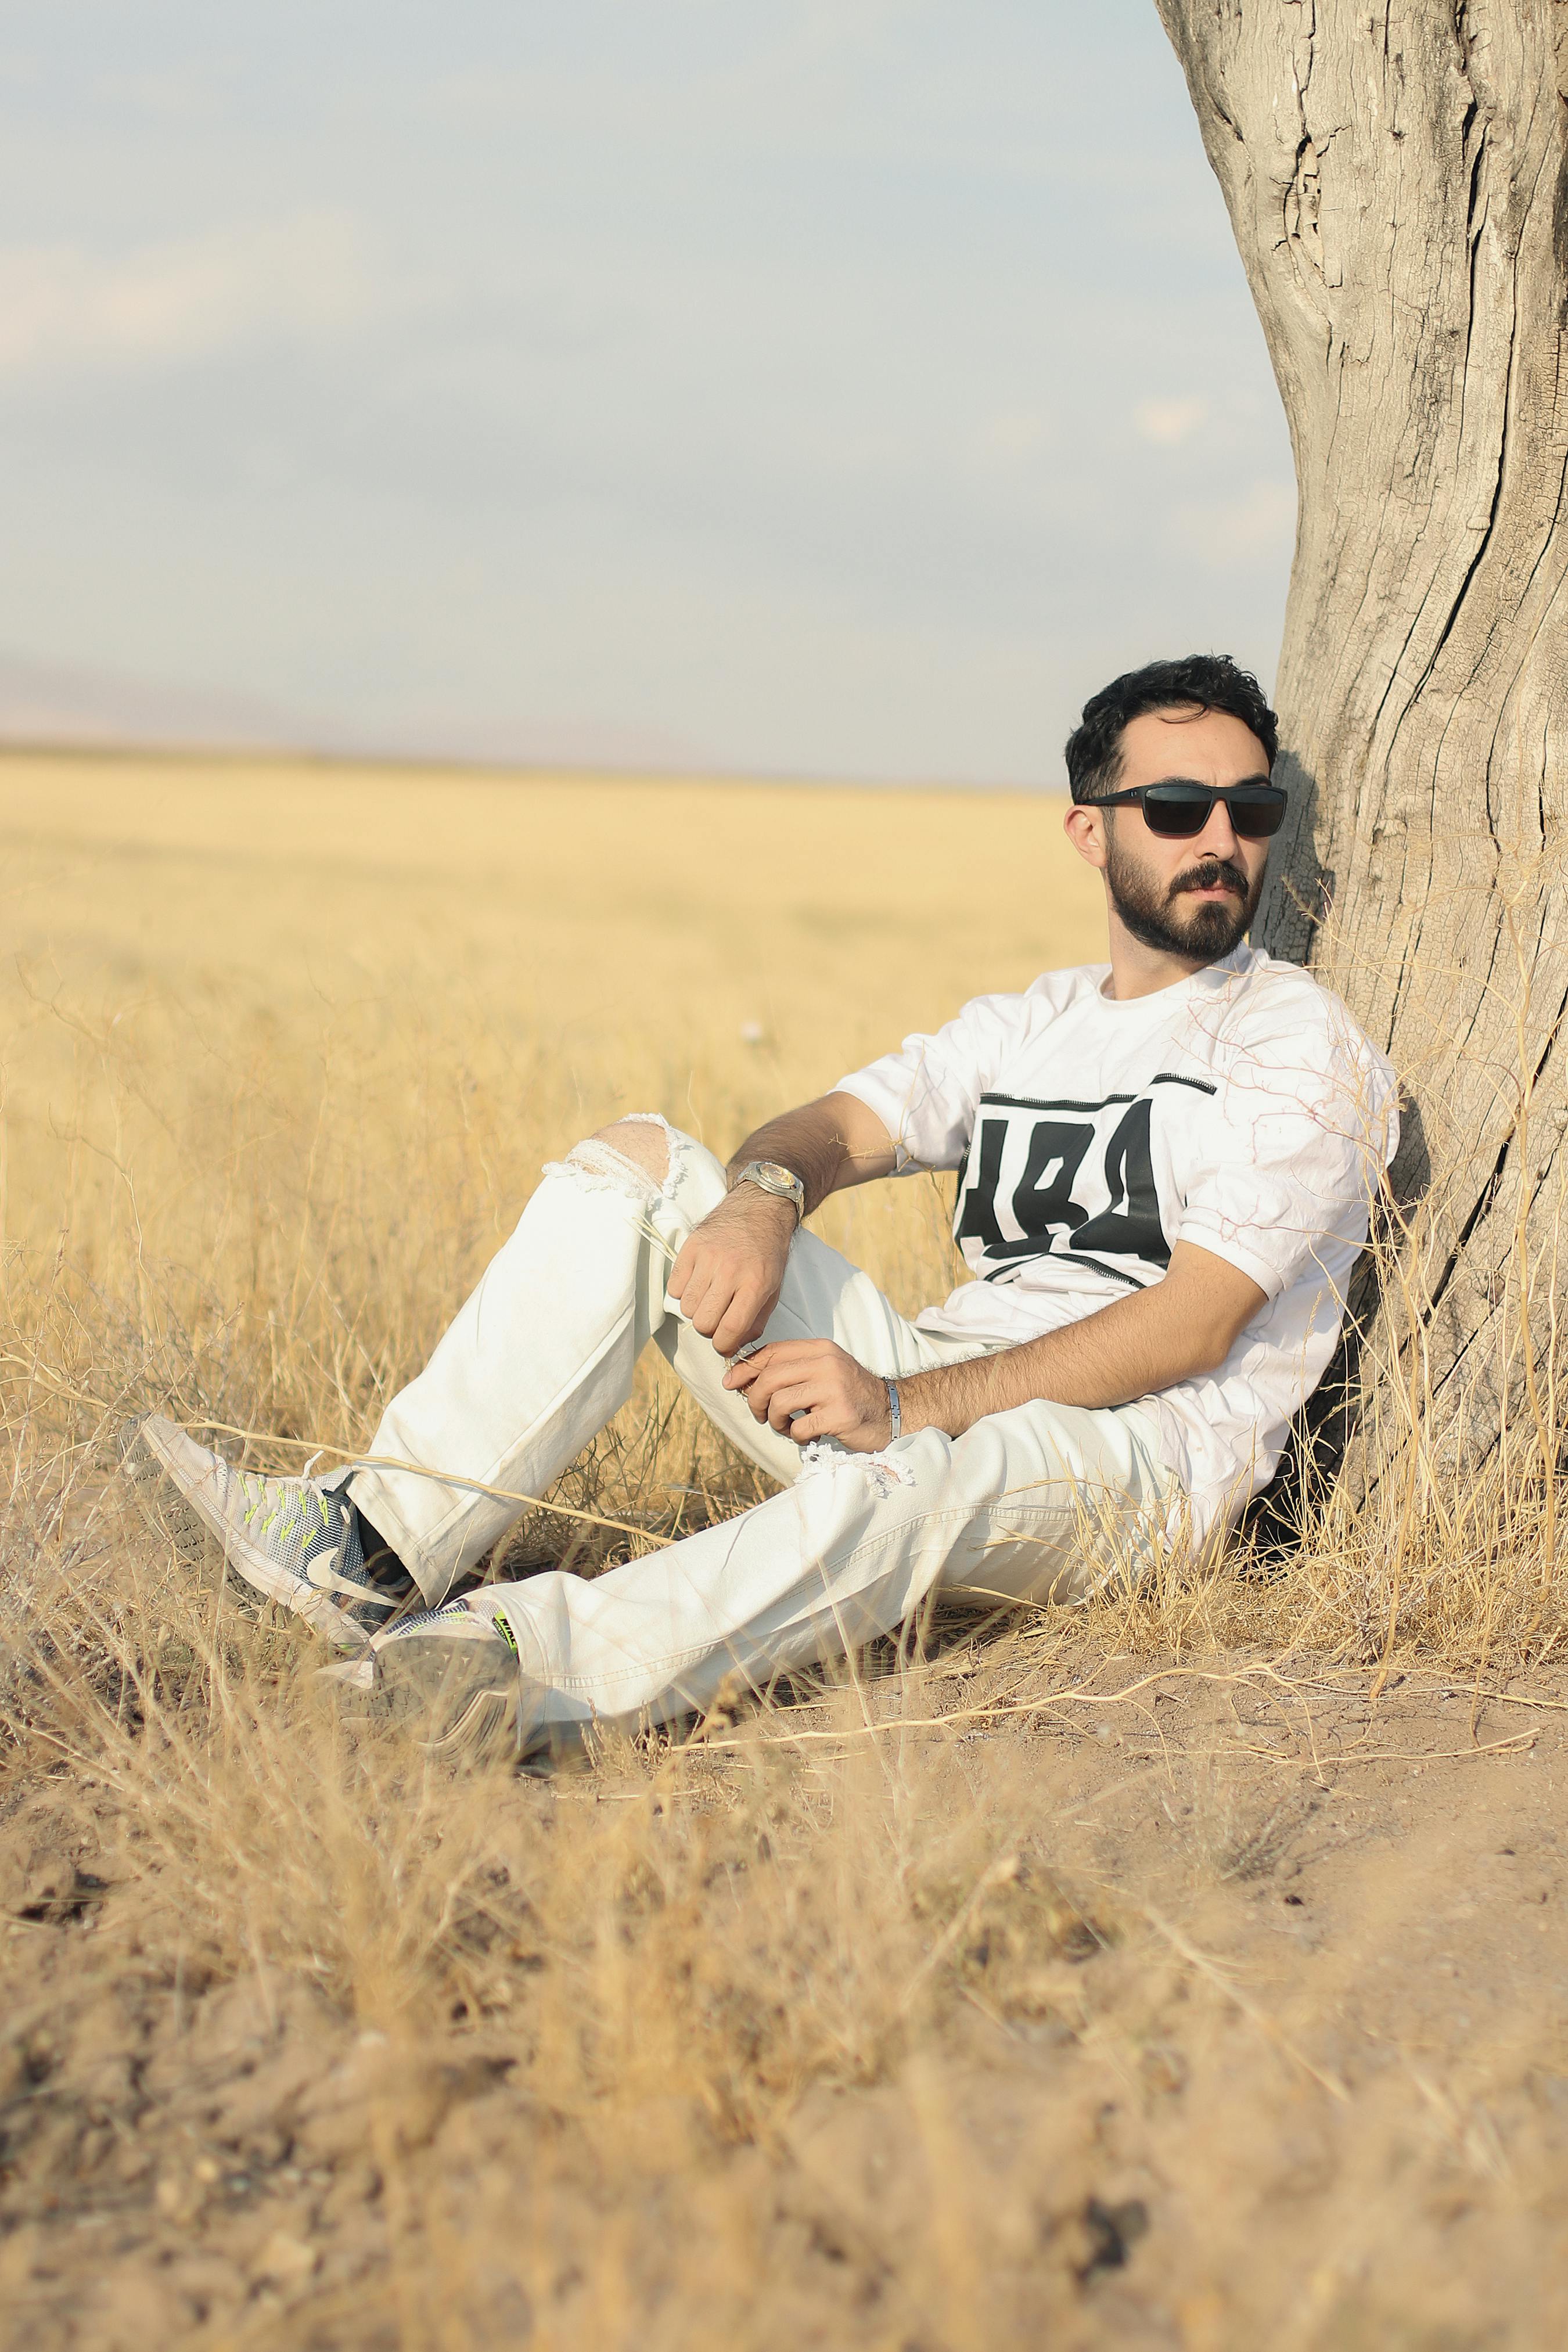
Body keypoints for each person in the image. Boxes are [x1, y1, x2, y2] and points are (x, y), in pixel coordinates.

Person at [136, 654, 1397, 1761]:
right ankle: (368, 1548)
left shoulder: (1296, 1039)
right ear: (1089, 832)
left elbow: (1197, 1324)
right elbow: (833, 1129)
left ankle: (500, 1668)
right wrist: (763, 1200)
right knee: (639, 1163)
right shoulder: (1037, 1021)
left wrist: (906, 1405)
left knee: (906, 1476)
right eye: (1179, 807)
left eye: (1252, 806)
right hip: (951, 1379)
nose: (1221, 837)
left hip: (1135, 1462)